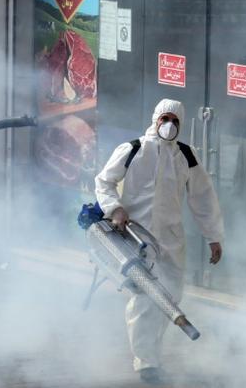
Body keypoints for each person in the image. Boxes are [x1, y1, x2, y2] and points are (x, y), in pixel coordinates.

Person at [95, 98, 224, 384]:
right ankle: (146, 362)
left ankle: (151, 351)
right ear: (156, 119)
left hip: (171, 240)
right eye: (165, 119)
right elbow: (104, 182)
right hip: (136, 236)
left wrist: (213, 236)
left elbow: (203, 198)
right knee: (144, 298)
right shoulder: (133, 150)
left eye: (176, 121)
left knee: (171, 296)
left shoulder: (186, 156)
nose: (170, 125)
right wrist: (115, 208)